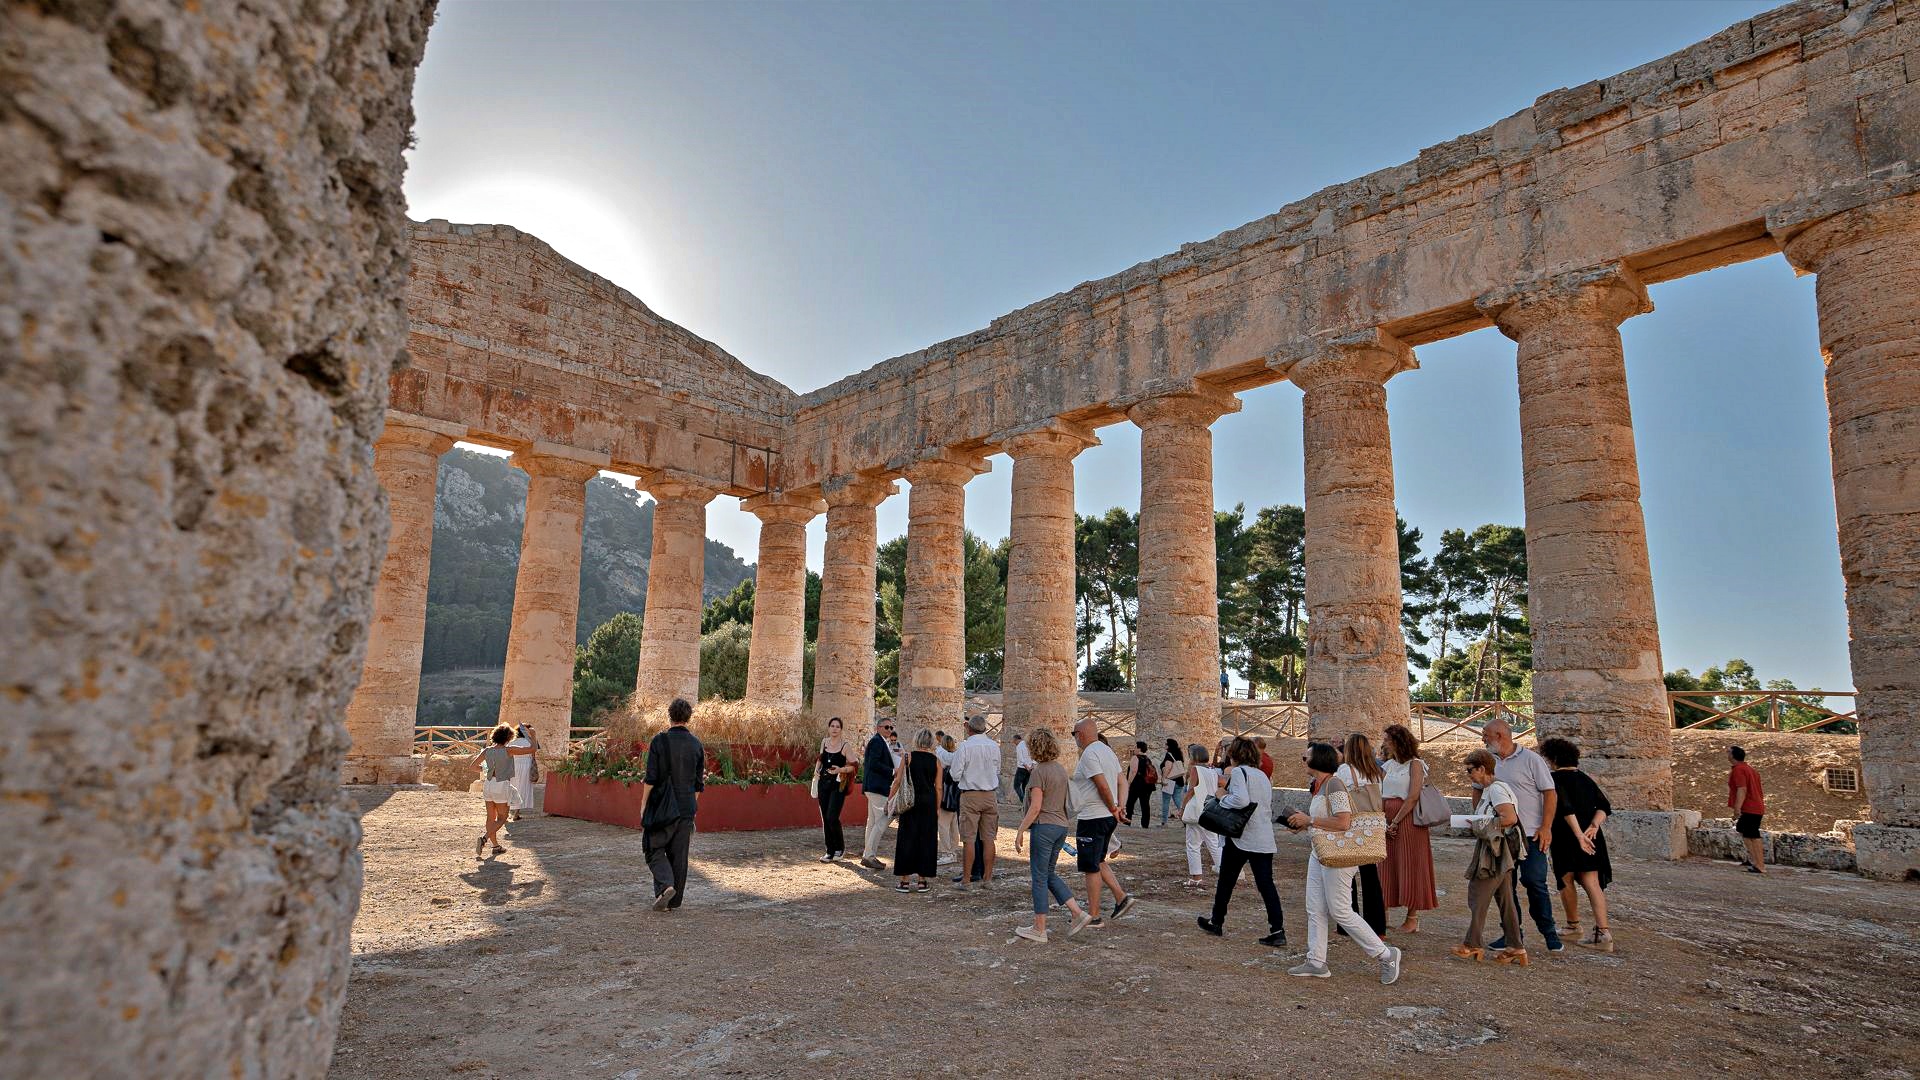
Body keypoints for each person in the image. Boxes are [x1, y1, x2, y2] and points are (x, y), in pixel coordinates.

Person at [1283, 742, 1401, 983]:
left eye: (1307, 756)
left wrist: (1310, 820)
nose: (1303, 759)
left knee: (1340, 910)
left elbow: (1343, 822)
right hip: (1321, 851)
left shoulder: (1334, 784)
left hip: (1339, 854)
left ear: (1319, 760)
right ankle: (1316, 961)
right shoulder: (1321, 785)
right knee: (1315, 907)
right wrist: (1303, 823)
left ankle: (1386, 955)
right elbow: (1324, 819)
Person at [1195, 737, 1288, 949]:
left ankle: (1216, 921)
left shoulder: (1239, 772)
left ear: (1234, 755)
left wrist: (1221, 797)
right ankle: (1277, 930)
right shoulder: (1262, 776)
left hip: (1241, 836)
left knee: (1226, 881)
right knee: (1266, 885)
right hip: (1263, 837)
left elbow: (1241, 800)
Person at [1479, 718, 1562, 953]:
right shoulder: (1487, 761)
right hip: (1501, 835)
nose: (1482, 738)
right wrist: (1481, 822)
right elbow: (1478, 791)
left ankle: (1549, 932)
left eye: (1485, 734)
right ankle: (1512, 935)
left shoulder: (1531, 759)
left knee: (1535, 881)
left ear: (1500, 735)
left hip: (1532, 834)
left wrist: (1546, 827)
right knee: (1505, 887)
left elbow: (1550, 793)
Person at [1011, 728, 1092, 942]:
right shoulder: (1060, 769)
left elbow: (1036, 806)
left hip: (1044, 827)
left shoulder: (1039, 772)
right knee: (1048, 873)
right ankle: (1077, 912)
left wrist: (1020, 830)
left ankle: (1039, 928)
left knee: (1039, 877)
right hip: (1060, 826)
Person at [1452, 749, 1529, 966]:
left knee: (1478, 894)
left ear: (1482, 768)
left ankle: (1472, 944)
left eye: (1470, 770)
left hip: (1495, 851)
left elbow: (1509, 818)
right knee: (1505, 900)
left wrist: (1479, 824)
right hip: (1497, 848)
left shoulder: (1496, 789)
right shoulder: (1493, 789)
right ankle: (1516, 946)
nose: (1468, 775)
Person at [1541, 738, 1614, 952]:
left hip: (1567, 836)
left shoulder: (1554, 779)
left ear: (1554, 758)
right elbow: (1604, 807)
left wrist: (1579, 835)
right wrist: (1594, 826)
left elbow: (1566, 808)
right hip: (1591, 836)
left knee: (1566, 879)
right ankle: (1603, 932)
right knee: (1592, 882)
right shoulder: (1585, 779)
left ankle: (1573, 925)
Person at [1068, 716, 1136, 927]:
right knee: (1098, 860)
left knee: (1091, 867)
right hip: (1106, 816)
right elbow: (1122, 782)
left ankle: (1094, 916)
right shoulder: (1107, 751)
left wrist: (1115, 808)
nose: (1074, 739)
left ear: (1080, 734)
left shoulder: (1089, 754)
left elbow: (1103, 786)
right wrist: (1120, 807)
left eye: (1074, 734)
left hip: (1093, 817)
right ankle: (1121, 897)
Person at [640, 698, 705, 912]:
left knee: (652, 847)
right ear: (688, 717)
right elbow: (698, 784)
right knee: (679, 856)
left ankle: (666, 886)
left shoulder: (659, 741)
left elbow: (651, 778)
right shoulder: (696, 744)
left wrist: (643, 804)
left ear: (670, 716)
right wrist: (691, 808)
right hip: (686, 808)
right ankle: (672, 901)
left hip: (661, 806)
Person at [1378, 723, 1437, 934]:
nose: (1384, 743)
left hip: (1409, 822)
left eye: (1387, 739)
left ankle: (1412, 918)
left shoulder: (1416, 765)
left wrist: (1395, 822)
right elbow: (1381, 794)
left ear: (1397, 741)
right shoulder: (1388, 765)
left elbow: (1412, 796)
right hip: (1388, 820)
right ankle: (1382, 915)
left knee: (1410, 865)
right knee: (1386, 865)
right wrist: (1384, 822)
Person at [1335, 733, 1389, 938]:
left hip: (1352, 826)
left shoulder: (1345, 770)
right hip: (1372, 826)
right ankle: (1377, 925)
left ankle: (1347, 923)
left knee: (1347, 877)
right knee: (1370, 877)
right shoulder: (1377, 772)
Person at [949, 714, 1002, 888]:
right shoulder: (994, 746)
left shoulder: (965, 747)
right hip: (990, 795)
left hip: (970, 794)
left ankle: (966, 880)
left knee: (969, 839)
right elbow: (997, 770)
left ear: (969, 728)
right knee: (989, 838)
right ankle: (988, 879)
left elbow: (955, 774)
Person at [889, 729, 942, 892]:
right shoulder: (936, 761)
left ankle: (904, 881)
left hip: (910, 802)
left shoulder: (908, 757)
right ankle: (922, 880)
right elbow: (939, 787)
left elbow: (898, 781)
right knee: (926, 839)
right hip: (928, 803)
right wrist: (937, 808)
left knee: (907, 838)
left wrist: (890, 799)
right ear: (931, 742)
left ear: (916, 740)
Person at [470, 724, 527, 858]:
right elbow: (532, 749)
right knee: (502, 817)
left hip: (488, 784)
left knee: (490, 817)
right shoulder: (508, 750)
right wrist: (533, 736)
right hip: (501, 785)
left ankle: (496, 846)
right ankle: (484, 839)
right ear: (508, 737)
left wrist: (487, 770)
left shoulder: (487, 750)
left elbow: (473, 766)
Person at [1181, 743, 1224, 888]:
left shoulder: (1196, 769)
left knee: (1193, 845)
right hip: (1209, 809)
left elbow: (1191, 790)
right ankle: (1227, 871)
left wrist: (1182, 808)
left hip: (1196, 809)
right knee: (1213, 842)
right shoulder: (1213, 771)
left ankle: (1196, 877)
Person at [857, 719, 898, 870]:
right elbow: (873, 763)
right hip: (877, 787)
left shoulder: (879, 741)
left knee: (873, 823)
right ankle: (869, 856)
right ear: (878, 728)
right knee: (883, 820)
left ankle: (868, 855)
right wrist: (892, 771)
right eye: (886, 727)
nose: (889, 730)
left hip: (874, 787)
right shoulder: (876, 742)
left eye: (891, 727)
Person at [815, 716, 853, 862]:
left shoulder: (845, 746)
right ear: (828, 728)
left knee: (832, 816)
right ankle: (829, 851)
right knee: (825, 817)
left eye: (837, 726)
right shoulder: (824, 742)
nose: (834, 729)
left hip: (838, 785)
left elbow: (854, 765)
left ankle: (839, 849)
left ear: (841, 729)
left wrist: (840, 769)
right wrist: (816, 770)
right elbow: (820, 758)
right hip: (823, 783)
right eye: (832, 726)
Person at [1728, 745, 1766, 875]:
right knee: (1743, 829)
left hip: (1750, 807)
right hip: (1755, 806)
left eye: (1729, 752)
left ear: (1732, 756)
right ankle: (1754, 860)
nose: (1727, 754)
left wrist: (1737, 808)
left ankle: (1760, 865)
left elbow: (1742, 789)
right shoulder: (1750, 769)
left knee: (1752, 834)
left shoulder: (1739, 770)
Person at [934, 732, 961, 867]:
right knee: (953, 825)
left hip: (946, 797)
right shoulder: (957, 757)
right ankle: (953, 850)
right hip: (955, 796)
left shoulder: (942, 757)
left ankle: (947, 853)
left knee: (943, 825)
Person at [507, 724, 539, 821]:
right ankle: (516, 813)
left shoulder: (511, 741)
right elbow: (533, 754)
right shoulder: (531, 742)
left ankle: (507, 811)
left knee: (511, 787)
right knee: (522, 788)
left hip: (513, 764)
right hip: (526, 765)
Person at [1123, 740, 1156, 828]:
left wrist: (1128, 783)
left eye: (1135, 747)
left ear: (1139, 748)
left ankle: (1127, 821)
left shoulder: (1135, 758)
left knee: (1130, 803)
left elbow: (1133, 771)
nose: (1134, 749)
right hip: (1148, 785)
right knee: (1145, 805)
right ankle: (1145, 824)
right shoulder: (1147, 759)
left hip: (1137, 785)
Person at [1158, 738, 1187, 827]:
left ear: (1169, 746)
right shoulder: (1179, 754)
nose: (1165, 745)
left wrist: (1163, 778)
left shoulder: (1169, 755)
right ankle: (1185, 820)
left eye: (1166, 744)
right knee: (1178, 802)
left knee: (1166, 802)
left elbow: (1168, 768)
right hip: (1179, 781)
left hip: (1170, 781)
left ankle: (1164, 822)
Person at [1013, 732, 1034, 804]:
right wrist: (1031, 766)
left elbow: (1021, 759)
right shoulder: (1028, 745)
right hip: (1029, 769)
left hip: (1022, 768)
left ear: (1016, 740)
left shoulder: (1019, 746)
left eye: (1014, 741)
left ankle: (1024, 802)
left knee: (1016, 786)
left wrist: (1026, 766)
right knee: (1025, 787)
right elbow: (1033, 756)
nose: (1014, 743)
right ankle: (1026, 805)